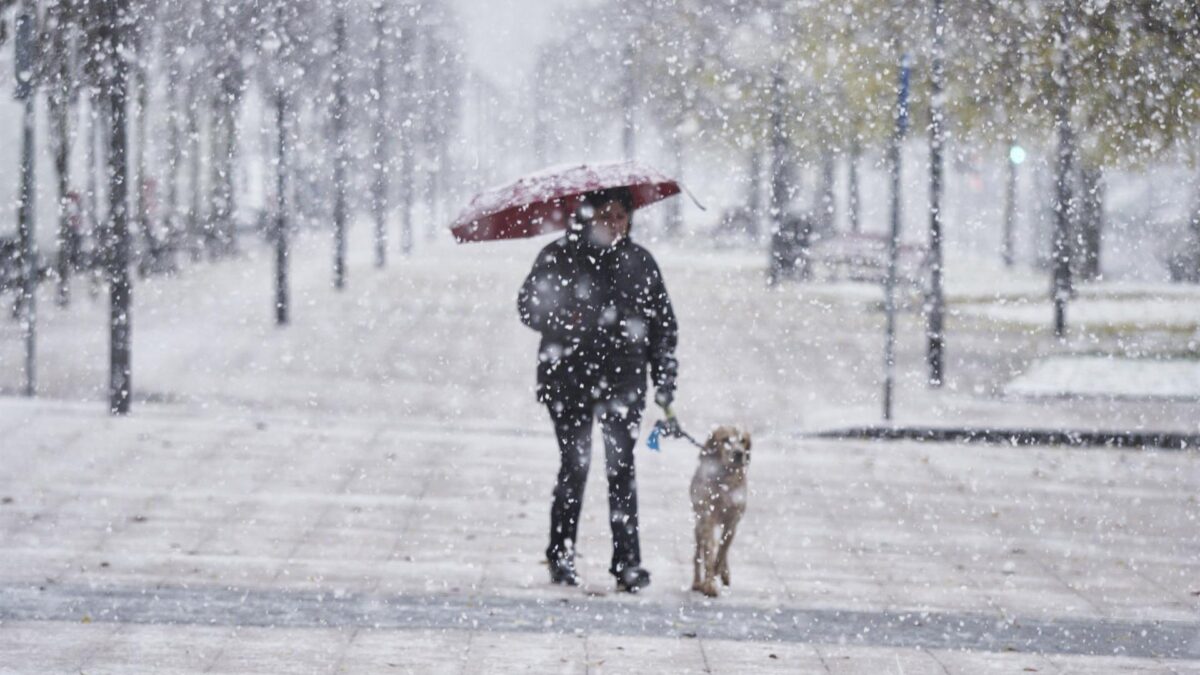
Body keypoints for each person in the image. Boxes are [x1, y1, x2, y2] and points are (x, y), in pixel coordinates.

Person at [517, 187, 679, 593]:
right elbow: (527, 305)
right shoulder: (559, 256)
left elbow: (663, 326)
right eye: (605, 214)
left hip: (623, 382)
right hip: (567, 379)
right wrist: (565, 318)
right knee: (575, 464)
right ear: (586, 215)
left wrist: (664, 382)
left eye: (621, 215)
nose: (614, 222)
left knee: (621, 469)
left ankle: (627, 563)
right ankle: (561, 554)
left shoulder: (640, 262)